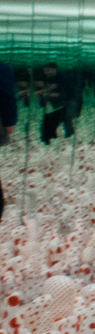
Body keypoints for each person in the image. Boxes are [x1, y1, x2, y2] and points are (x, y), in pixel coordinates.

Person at [0, 60, 15, 218]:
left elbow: (6, 95)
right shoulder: (3, 68)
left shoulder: (2, 69)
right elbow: (7, 96)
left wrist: (9, 122)